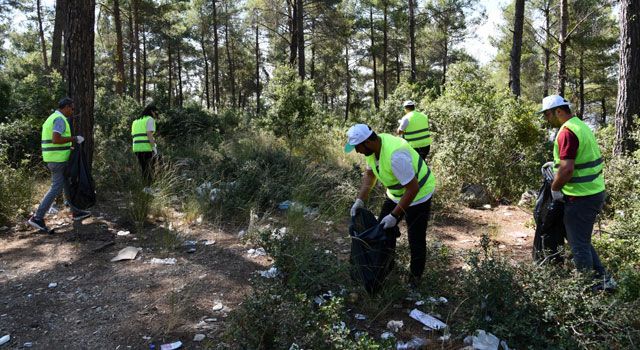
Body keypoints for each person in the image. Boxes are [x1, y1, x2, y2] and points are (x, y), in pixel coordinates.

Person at [346, 124, 436, 287]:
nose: (357, 151)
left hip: (419, 195)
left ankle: (414, 281)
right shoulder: (372, 150)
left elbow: (413, 188)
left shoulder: (396, 155)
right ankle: (385, 268)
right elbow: (370, 174)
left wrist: (394, 215)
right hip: (396, 195)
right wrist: (360, 200)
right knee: (382, 233)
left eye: (357, 147)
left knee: (415, 239)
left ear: (367, 141)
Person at [539, 95, 614, 291]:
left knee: (578, 245)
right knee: (580, 239)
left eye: (547, 114)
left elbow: (567, 170)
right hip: (592, 192)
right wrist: (555, 167)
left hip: (581, 197)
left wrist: (555, 188)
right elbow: (572, 162)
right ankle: (603, 280)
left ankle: (587, 290)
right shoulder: (580, 125)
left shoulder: (566, 132)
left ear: (558, 111)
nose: (547, 119)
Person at [27, 97, 91, 233]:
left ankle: (75, 212)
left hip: (54, 158)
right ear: (66, 107)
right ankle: (37, 218)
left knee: (65, 184)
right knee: (56, 188)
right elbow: (56, 139)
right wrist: (74, 139)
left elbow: (56, 141)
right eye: (72, 108)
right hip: (57, 160)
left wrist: (69, 147)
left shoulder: (52, 118)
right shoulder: (60, 119)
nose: (72, 111)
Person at [131, 104, 159, 185]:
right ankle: (150, 187)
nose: (155, 115)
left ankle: (146, 187)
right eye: (155, 112)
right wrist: (154, 147)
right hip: (146, 148)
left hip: (136, 148)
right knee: (151, 169)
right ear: (151, 112)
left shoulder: (135, 121)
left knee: (144, 169)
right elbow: (149, 134)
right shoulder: (149, 119)